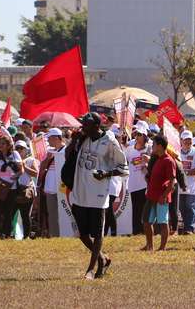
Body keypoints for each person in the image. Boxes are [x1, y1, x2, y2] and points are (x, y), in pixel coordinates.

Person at [68, 112, 127, 279]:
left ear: (96, 126)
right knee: (81, 233)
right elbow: (69, 158)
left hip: (98, 195)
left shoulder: (109, 141)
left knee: (98, 233)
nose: (83, 127)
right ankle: (102, 257)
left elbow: (123, 167)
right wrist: (74, 140)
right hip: (80, 192)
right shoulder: (82, 139)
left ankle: (91, 269)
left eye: (86, 125)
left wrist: (106, 173)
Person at [142, 134, 176, 252]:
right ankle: (149, 246)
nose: (152, 147)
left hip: (162, 197)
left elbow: (172, 181)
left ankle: (162, 247)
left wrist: (164, 195)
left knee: (163, 222)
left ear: (160, 146)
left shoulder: (169, 161)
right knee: (146, 221)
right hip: (151, 195)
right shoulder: (156, 159)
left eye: (154, 144)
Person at [0, 135, 23, 239]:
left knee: (8, 211)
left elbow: (21, 170)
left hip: (10, 187)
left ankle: (6, 233)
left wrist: (14, 177)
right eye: (0, 143)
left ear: (8, 145)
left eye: (3, 144)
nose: (1, 145)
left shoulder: (14, 154)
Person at [124, 124, 151, 235]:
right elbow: (124, 162)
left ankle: (146, 230)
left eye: (140, 134)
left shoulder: (149, 148)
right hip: (133, 184)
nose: (137, 137)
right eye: (136, 134)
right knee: (135, 208)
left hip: (145, 183)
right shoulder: (129, 149)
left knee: (145, 209)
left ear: (145, 136)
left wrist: (148, 160)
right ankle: (136, 230)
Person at [38, 128, 64, 237]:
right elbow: (42, 168)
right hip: (50, 188)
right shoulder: (50, 152)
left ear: (56, 138)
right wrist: (48, 159)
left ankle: (64, 234)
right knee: (52, 214)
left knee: (63, 214)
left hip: (62, 188)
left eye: (49, 138)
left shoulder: (65, 151)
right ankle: (54, 235)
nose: (48, 141)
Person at [178, 130, 195, 235]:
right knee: (181, 207)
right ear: (181, 141)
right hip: (180, 185)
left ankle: (190, 228)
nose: (188, 142)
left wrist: (185, 173)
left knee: (191, 206)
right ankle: (185, 226)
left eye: (189, 140)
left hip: (192, 184)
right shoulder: (177, 152)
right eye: (186, 140)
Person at [16, 140, 38, 239]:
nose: (19, 150)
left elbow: (35, 173)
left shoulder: (31, 160)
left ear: (26, 150)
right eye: (17, 148)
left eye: (21, 148)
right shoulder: (12, 159)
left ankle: (26, 236)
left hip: (26, 190)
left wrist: (24, 167)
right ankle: (11, 234)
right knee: (11, 213)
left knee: (25, 214)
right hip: (14, 190)